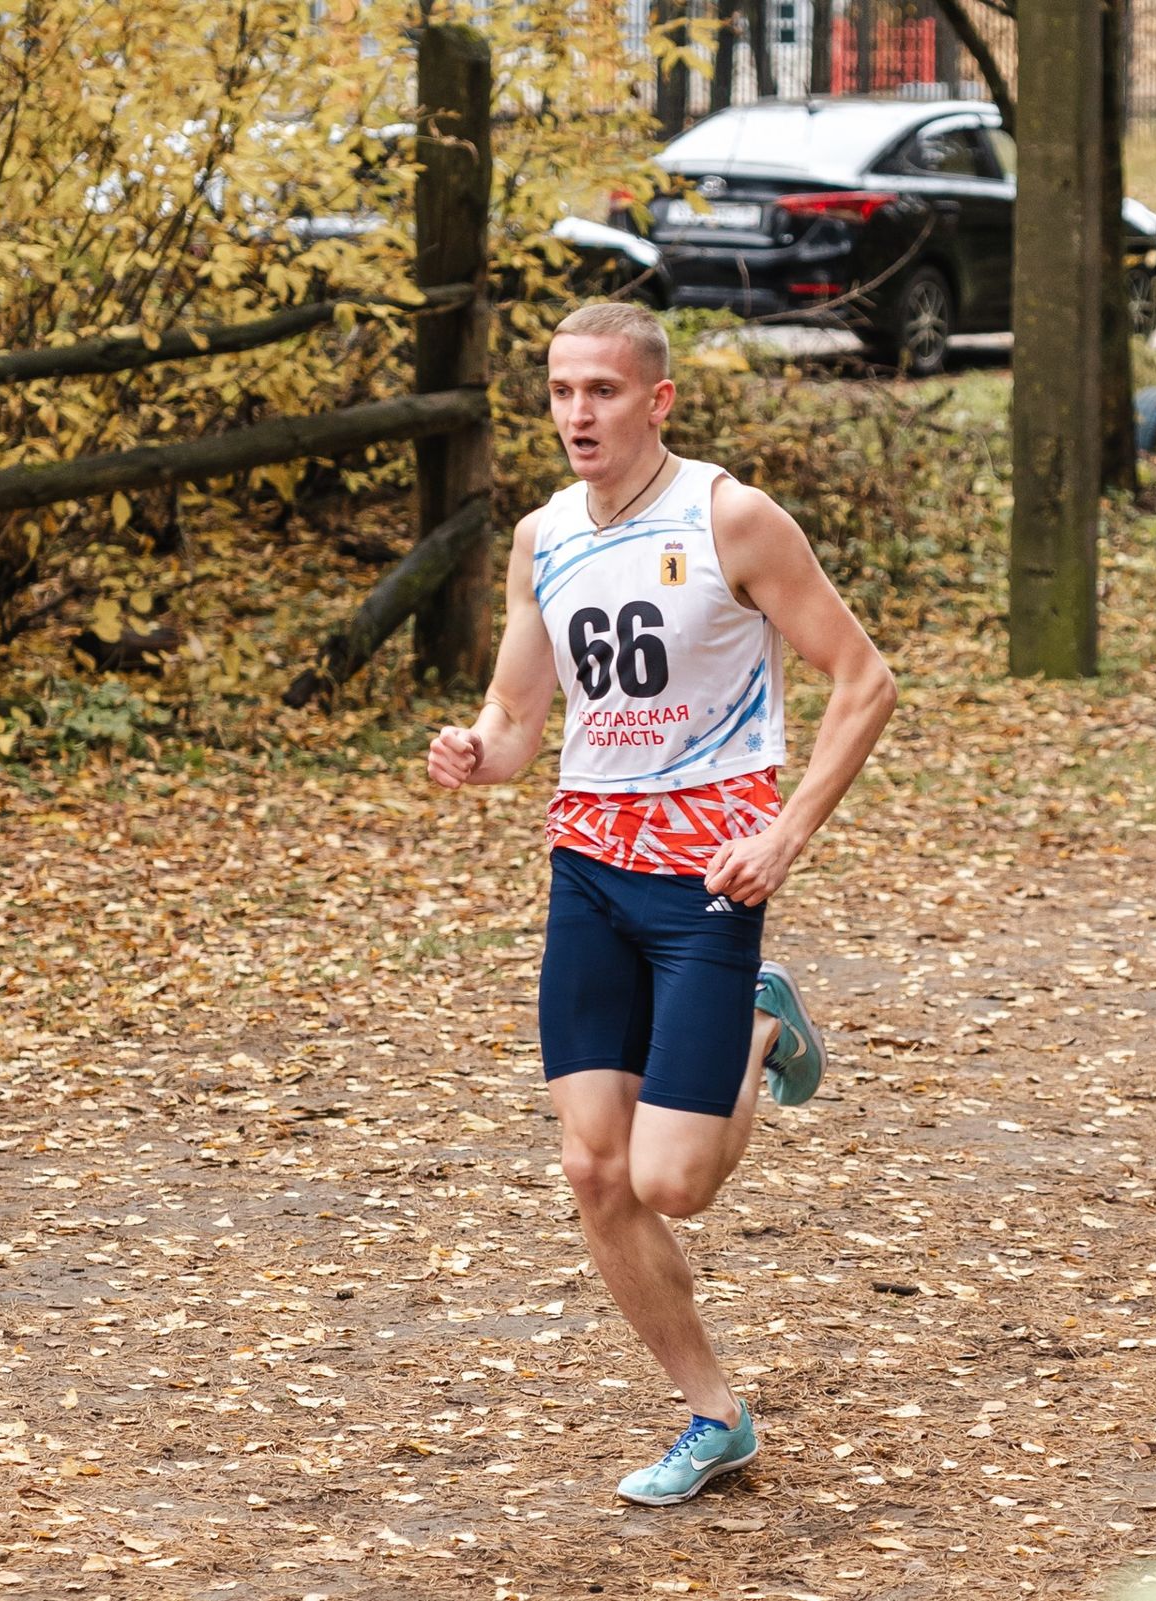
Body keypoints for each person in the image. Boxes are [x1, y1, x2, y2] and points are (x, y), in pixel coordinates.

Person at [423, 301, 897, 1503]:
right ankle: (712, 1411)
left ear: (658, 400)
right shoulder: (542, 537)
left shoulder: (729, 516)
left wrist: (784, 833)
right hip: (585, 869)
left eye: (603, 391)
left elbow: (863, 678)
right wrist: (476, 750)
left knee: (673, 1179)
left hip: (704, 879)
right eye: (561, 391)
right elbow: (521, 716)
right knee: (594, 1172)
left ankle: (754, 1020)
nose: (577, 413)